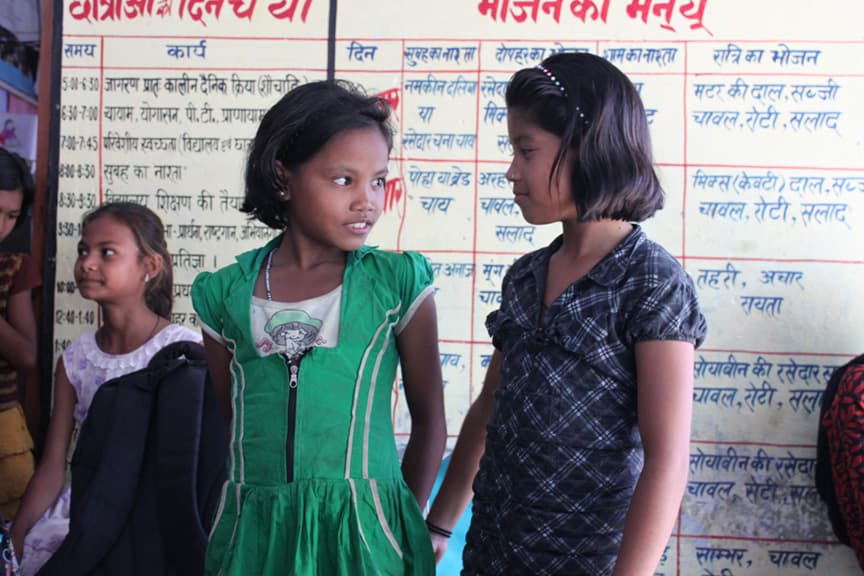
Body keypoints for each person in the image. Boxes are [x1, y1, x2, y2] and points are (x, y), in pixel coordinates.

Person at [426, 53, 708, 575]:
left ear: (587, 149)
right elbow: (490, 409)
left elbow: (667, 460)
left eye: (525, 150)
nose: (512, 170)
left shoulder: (651, 283)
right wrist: (439, 527)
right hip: (492, 555)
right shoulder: (527, 276)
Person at [191, 80, 446, 576]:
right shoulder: (224, 294)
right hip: (256, 535)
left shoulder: (394, 283)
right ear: (284, 178)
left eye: (378, 181)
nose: (367, 201)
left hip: (367, 537)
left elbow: (431, 420)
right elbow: (232, 421)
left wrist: (396, 518)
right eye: (343, 180)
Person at [10, 201, 202, 575]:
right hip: (86, 511)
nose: (87, 263)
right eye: (84, 250)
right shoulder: (76, 360)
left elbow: (191, 464)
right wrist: (15, 537)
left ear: (150, 267)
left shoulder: (181, 353)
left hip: (153, 522)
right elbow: (53, 466)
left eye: (107, 253)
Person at [0, 148, 39, 522]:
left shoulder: (14, 269)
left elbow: (27, 355)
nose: (1, 227)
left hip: (3, 433)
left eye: (11, 216)